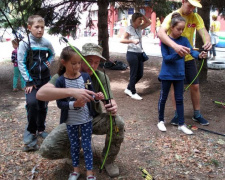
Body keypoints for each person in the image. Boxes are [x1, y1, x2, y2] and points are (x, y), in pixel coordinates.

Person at [37, 43, 125, 178]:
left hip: (92, 119)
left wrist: (112, 106)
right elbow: (41, 94)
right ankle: (73, 154)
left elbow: (109, 100)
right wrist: (72, 91)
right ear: (80, 59)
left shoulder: (101, 76)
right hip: (71, 122)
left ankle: (108, 160)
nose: (93, 66)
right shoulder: (64, 76)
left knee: (117, 122)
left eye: (97, 62)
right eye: (89, 61)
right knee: (47, 149)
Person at [158, 0, 212, 126]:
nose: (192, 9)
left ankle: (197, 114)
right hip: (175, 58)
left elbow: (204, 33)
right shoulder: (172, 16)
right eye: (190, 5)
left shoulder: (196, 17)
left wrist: (207, 41)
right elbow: (160, 33)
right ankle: (177, 114)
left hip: (188, 58)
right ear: (183, 1)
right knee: (175, 86)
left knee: (195, 86)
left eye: (194, 6)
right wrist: (175, 47)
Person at [56, 46, 104, 180]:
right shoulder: (61, 81)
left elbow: (91, 94)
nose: (77, 66)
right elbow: (60, 104)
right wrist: (74, 104)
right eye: (73, 63)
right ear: (63, 62)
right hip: (71, 121)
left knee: (87, 145)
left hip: (86, 119)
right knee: (74, 145)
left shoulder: (85, 76)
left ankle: (90, 173)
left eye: (79, 63)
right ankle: (75, 170)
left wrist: (97, 96)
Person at [18, 15, 55, 151]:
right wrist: (28, 81)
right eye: (36, 27)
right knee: (32, 104)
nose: (40, 30)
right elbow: (21, 63)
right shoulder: (24, 43)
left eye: (42, 27)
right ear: (29, 28)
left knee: (43, 105)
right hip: (32, 82)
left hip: (45, 80)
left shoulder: (46, 42)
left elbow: (53, 54)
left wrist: (49, 62)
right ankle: (31, 130)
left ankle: (41, 128)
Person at [120, 12, 151, 100]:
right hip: (131, 53)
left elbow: (149, 23)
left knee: (140, 74)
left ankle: (128, 88)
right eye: (139, 19)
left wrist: (143, 15)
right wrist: (132, 41)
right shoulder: (129, 28)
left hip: (139, 53)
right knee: (133, 74)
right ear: (134, 20)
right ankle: (133, 92)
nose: (141, 21)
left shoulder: (139, 28)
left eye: (141, 19)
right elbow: (122, 40)